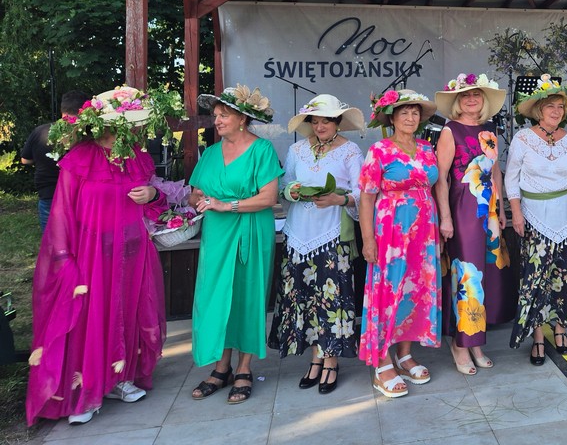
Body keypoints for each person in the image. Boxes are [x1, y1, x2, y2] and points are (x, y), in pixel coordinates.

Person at [26, 86, 183, 426]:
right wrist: (64, 256)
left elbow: (155, 205)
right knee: (90, 314)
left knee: (125, 310)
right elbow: (61, 212)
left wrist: (152, 193)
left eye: (130, 124)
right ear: (102, 123)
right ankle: (85, 389)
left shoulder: (137, 157)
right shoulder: (79, 158)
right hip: (89, 252)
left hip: (130, 250)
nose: (126, 130)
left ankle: (119, 378)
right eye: (120, 123)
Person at [188, 84, 283, 404]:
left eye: (223, 115)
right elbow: (194, 192)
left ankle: (243, 367)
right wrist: (200, 199)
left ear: (242, 118)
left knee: (246, 296)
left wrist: (226, 206)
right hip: (216, 235)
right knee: (214, 297)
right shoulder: (211, 153)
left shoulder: (262, 150)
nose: (216, 120)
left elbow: (269, 198)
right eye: (215, 115)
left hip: (250, 230)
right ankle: (221, 366)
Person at [268, 95, 365, 394]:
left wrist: (340, 198)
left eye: (326, 120)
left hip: (332, 235)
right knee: (305, 299)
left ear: (337, 122)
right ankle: (314, 358)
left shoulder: (350, 151)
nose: (320, 125)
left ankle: (331, 361)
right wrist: (293, 192)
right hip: (298, 234)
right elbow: (284, 187)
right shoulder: (297, 149)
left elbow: (363, 194)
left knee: (332, 302)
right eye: (315, 120)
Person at [505, 76, 567, 365]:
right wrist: (517, 213)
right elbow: (512, 180)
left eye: (560, 107)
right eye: (550, 106)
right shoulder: (522, 139)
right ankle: (537, 336)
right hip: (535, 217)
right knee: (535, 280)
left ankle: (560, 330)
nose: (556, 111)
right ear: (538, 110)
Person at [358, 89, 443, 399]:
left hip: (424, 231)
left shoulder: (426, 148)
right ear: (392, 117)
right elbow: (366, 198)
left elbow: (435, 188)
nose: (410, 117)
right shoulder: (379, 150)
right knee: (389, 291)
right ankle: (382, 361)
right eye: (404, 112)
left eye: (415, 112)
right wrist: (368, 240)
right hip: (391, 232)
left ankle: (404, 354)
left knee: (417, 290)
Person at [433, 73, 511, 375]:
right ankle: (461, 343)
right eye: (464, 95)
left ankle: (476, 340)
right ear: (457, 101)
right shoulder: (450, 130)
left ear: (483, 100)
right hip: (463, 206)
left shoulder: (490, 129)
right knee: (467, 273)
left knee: (487, 271)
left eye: (476, 95)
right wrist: (446, 216)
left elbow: (494, 171)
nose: (470, 99)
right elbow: (441, 177)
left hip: (488, 208)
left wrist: (500, 207)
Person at [20, 90, 88, 231]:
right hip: (80, 196)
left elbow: (25, 160)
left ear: (63, 110)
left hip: (48, 194)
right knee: (80, 244)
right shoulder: (88, 135)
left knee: (53, 243)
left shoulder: (40, 131)